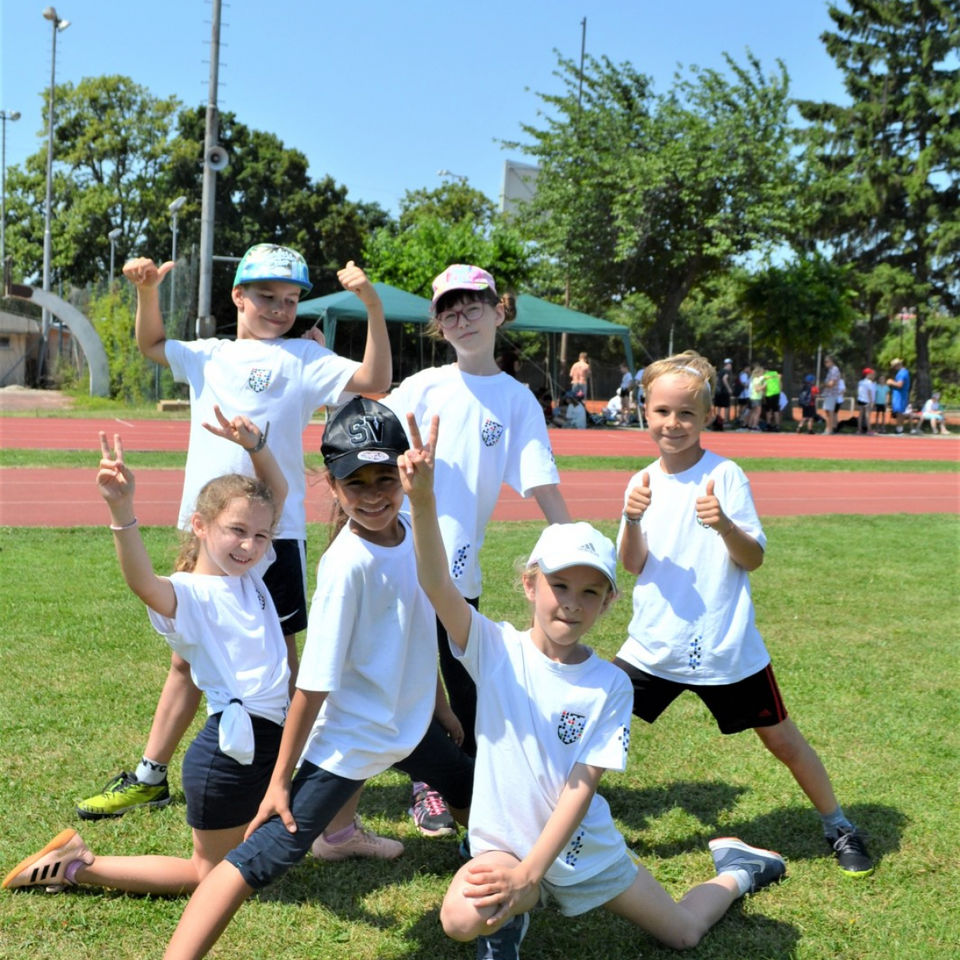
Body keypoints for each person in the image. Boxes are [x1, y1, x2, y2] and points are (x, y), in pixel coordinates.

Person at [399, 417, 786, 956]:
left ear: (607, 603)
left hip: (583, 850)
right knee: (461, 918)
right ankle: (512, 915)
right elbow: (437, 583)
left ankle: (740, 869)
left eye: (589, 592)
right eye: (558, 585)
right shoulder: (494, 646)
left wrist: (533, 873)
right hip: (505, 846)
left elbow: (581, 787)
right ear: (530, 584)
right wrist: (421, 501)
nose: (571, 603)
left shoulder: (611, 685)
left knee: (682, 933)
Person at [77, 247, 390, 821]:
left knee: (283, 659)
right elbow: (151, 346)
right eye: (267, 296)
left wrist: (371, 306)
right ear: (238, 297)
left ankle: (291, 774)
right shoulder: (210, 356)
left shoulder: (302, 355)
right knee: (186, 655)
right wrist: (147, 292)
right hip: (207, 530)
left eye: (291, 299)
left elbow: (375, 379)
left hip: (277, 534)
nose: (279, 308)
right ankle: (150, 774)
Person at [162, 398, 474, 960]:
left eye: (386, 477)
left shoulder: (416, 534)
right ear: (332, 486)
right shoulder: (345, 566)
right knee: (265, 855)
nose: (375, 494)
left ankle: (480, 860)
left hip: (409, 724)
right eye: (357, 482)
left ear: (405, 473)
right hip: (350, 737)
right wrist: (281, 779)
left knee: (470, 788)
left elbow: (421, 628)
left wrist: (441, 706)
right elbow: (312, 686)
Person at [4, 411, 291, 896]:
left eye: (260, 536)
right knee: (206, 875)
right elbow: (142, 581)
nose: (250, 545)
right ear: (200, 525)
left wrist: (257, 447)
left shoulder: (249, 578)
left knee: (258, 854)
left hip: (264, 747)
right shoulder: (190, 594)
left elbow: (276, 496)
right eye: (236, 530)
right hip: (226, 756)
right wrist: (121, 510)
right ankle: (77, 864)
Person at [615, 350, 874, 879]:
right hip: (652, 646)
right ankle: (561, 823)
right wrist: (631, 518)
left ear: (707, 416)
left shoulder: (726, 475)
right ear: (645, 412)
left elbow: (753, 557)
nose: (673, 423)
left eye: (686, 413)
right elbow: (631, 564)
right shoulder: (640, 481)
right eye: (662, 411)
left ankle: (839, 824)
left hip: (725, 646)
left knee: (782, 739)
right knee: (596, 722)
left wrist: (725, 526)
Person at [379, 264, 570, 837]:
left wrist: (574, 545)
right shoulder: (422, 387)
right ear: (439, 324)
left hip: (459, 573)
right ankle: (425, 785)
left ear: (499, 311)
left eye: (473, 307)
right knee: (400, 675)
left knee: (466, 690)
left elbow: (540, 482)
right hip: (398, 558)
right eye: (449, 311)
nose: (462, 320)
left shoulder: (516, 401)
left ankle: (477, 783)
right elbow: (373, 444)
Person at [886, 359, 911, 434]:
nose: (894, 368)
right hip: (902, 394)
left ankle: (899, 429)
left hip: (900, 395)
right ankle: (899, 428)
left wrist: (891, 382)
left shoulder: (902, 373)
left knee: (899, 412)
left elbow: (900, 384)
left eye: (894, 366)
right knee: (900, 411)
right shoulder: (905, 372)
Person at [820, 355, 842, 435]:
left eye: (827, 362)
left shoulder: (834, 370)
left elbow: (832, 383)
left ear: (831, 361)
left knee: (830, 411)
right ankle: (828, 428)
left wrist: (823, 384)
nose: (825, 364)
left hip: (831, 393)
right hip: (828, 393)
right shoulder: (830, 370)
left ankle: (829, 429)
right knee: (827, 411)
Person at [713, 359, 733, 427]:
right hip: (724, 391)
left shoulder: (720, 371)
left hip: (719, 391)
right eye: (730, 364)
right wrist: (729, 388)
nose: (731, 366)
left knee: (719, 406)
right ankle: (725, 421)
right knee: (726, 406)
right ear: (728, 364)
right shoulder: (727, 371)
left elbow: (717, 379)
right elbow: (724, 379)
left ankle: (718, 420)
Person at [856, 368, 876, 434]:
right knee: (867, 415)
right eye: (871, 374)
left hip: (860, 399)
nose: (872, 375)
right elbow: (869, 392)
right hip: (867, 400)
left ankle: (859, 429)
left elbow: (859, 391)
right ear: (867, 375)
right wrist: (871, 402)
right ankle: (869, 430)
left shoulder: (860, 382)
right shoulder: (869, 382)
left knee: (860, 415)